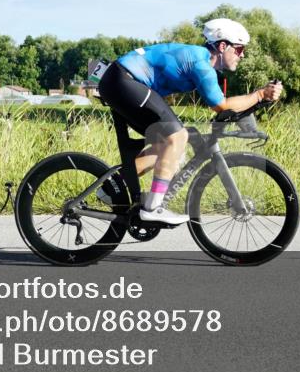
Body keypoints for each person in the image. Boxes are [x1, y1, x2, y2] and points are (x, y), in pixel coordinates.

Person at [97, 18, 283, 226]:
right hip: (125, 80)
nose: (242, 55)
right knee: (178, 136)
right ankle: (152, 208)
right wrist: (259, 95)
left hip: (120, 80)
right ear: (223, 46)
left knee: (173, 149)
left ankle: (112, 188)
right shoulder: (201, 65)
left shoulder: (201, 60)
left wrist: (259, 99)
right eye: (239, 50)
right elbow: (221, 106)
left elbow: (226, 106)